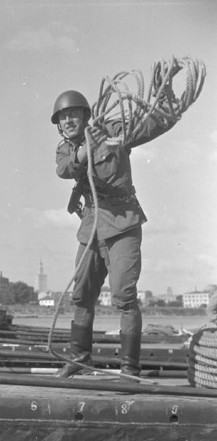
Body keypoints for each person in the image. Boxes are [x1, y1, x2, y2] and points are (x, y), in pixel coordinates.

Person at [51, 84, 178, 379]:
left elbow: (150, 126)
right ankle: (80, 360)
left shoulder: (112, 130)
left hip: (123, 225)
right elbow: (64, 170)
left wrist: (166, 102)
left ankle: (129, 368)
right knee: (81, 295)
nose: (68, 121)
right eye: (62, 118)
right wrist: (86, 150)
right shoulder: (65, 148)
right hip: (91, 228)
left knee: (124, 295)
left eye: (73, 115)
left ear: (85, 116)